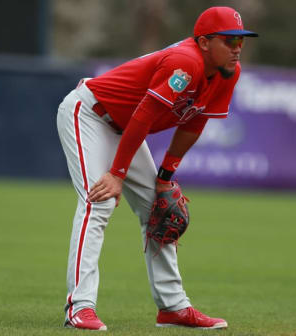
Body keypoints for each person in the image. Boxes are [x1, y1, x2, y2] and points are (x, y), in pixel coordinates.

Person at [56, 6, 258, 331]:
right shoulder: (186, 62)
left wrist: (165, 177)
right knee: (99, 201)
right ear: (205, 42)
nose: (236, 48)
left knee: (159, 210)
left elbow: (195, 123)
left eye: (241, 41)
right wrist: (117, 174)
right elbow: (144, 116)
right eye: (229, 40)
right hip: (90, 114)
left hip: (125, 128)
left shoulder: (227, 72)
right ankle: (79, 308)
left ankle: (173, 308)